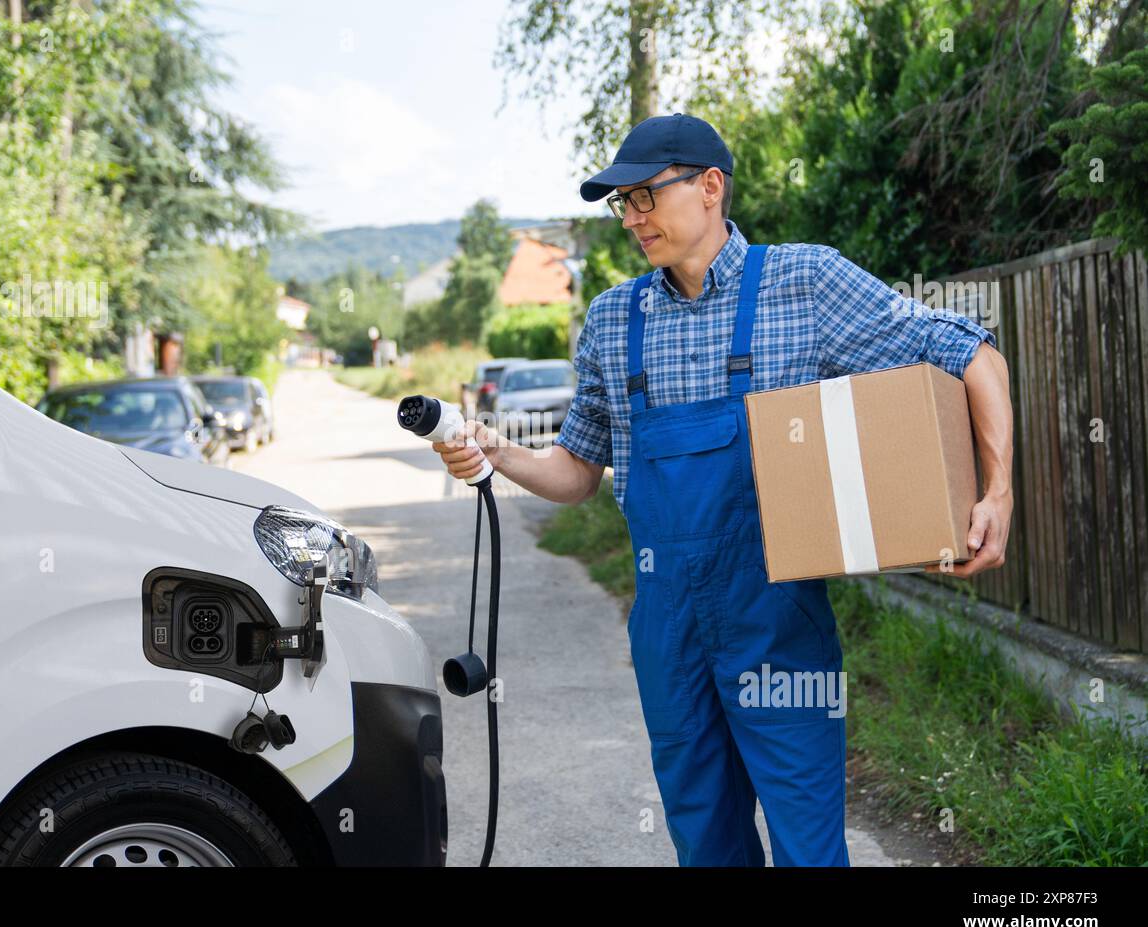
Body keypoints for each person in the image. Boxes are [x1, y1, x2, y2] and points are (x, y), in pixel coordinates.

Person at [433, 113, 1014, 866]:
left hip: (777, 626)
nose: (632, 218)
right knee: (704, 842)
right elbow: (578, 469)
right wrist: (496, 450)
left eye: (645, 195)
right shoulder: (614, 320)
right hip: (666, 634)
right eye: (622, 204)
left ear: (710, 187)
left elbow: (966, 348)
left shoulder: (804, 281)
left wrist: (996, 492)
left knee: (809, 847)